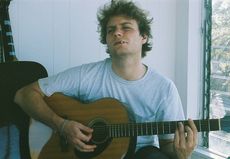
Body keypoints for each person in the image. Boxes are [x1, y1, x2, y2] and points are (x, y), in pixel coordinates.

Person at [14, 0, 198, 158]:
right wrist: (62, 125)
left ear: (143, 37)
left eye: (126, 28)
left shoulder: (164, 88)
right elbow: (23, 95)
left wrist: (183, 155)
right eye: (111, 30)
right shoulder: (86, 75)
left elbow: (167, 145)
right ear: (107, 41)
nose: (117, 33)